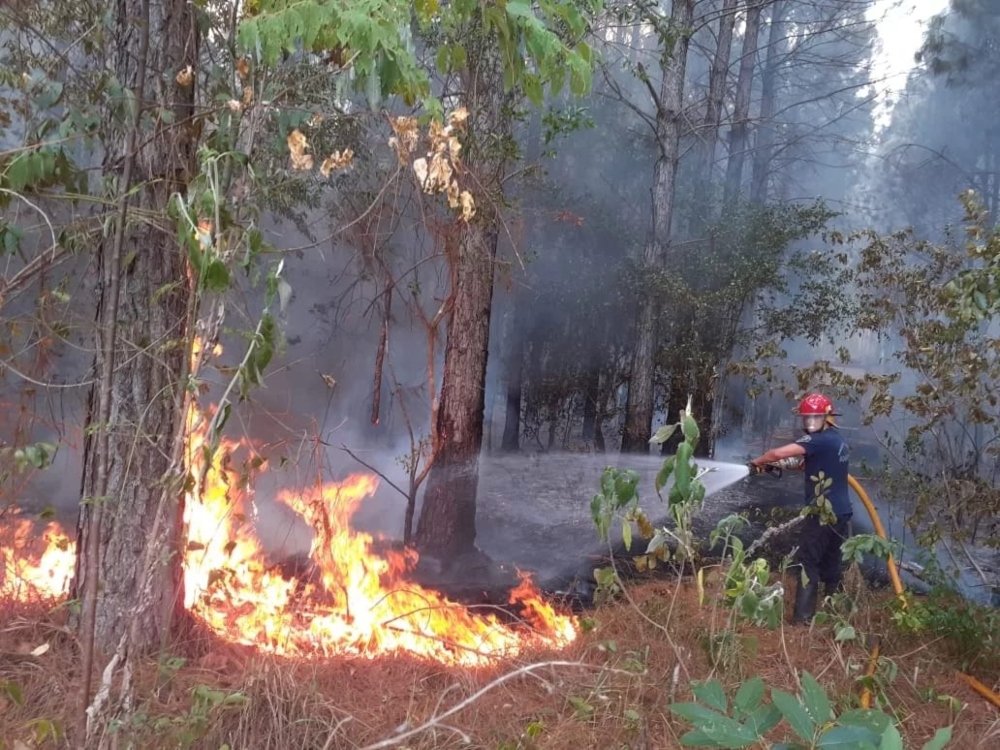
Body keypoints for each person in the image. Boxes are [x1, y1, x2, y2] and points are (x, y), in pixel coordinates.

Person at [749, 393, 852, 625]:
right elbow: (805, 464)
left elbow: (778, 453)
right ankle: (833, 615)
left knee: (808, 562)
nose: (809, 423)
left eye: (814, 418)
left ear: (827, 417)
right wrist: (772, 467)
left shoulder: (819, 440)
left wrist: (758, 462)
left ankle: (803, 620)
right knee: (831, 563)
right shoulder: (836, 440)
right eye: (806, 419)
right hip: (842, 512)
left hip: (822, 513)